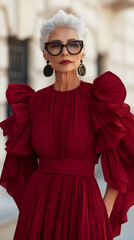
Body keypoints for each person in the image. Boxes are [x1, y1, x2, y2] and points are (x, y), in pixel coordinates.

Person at [0, 9, 134, 240]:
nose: (65, 52)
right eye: (56, 46)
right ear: (45, 54)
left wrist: (104, 209)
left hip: (85, 204)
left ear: (82, 53)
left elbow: (124, 160)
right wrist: (33, 206)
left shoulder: (98, 100)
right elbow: (20, 164)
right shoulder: (32, 103)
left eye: (73, 45)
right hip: (39, 204)